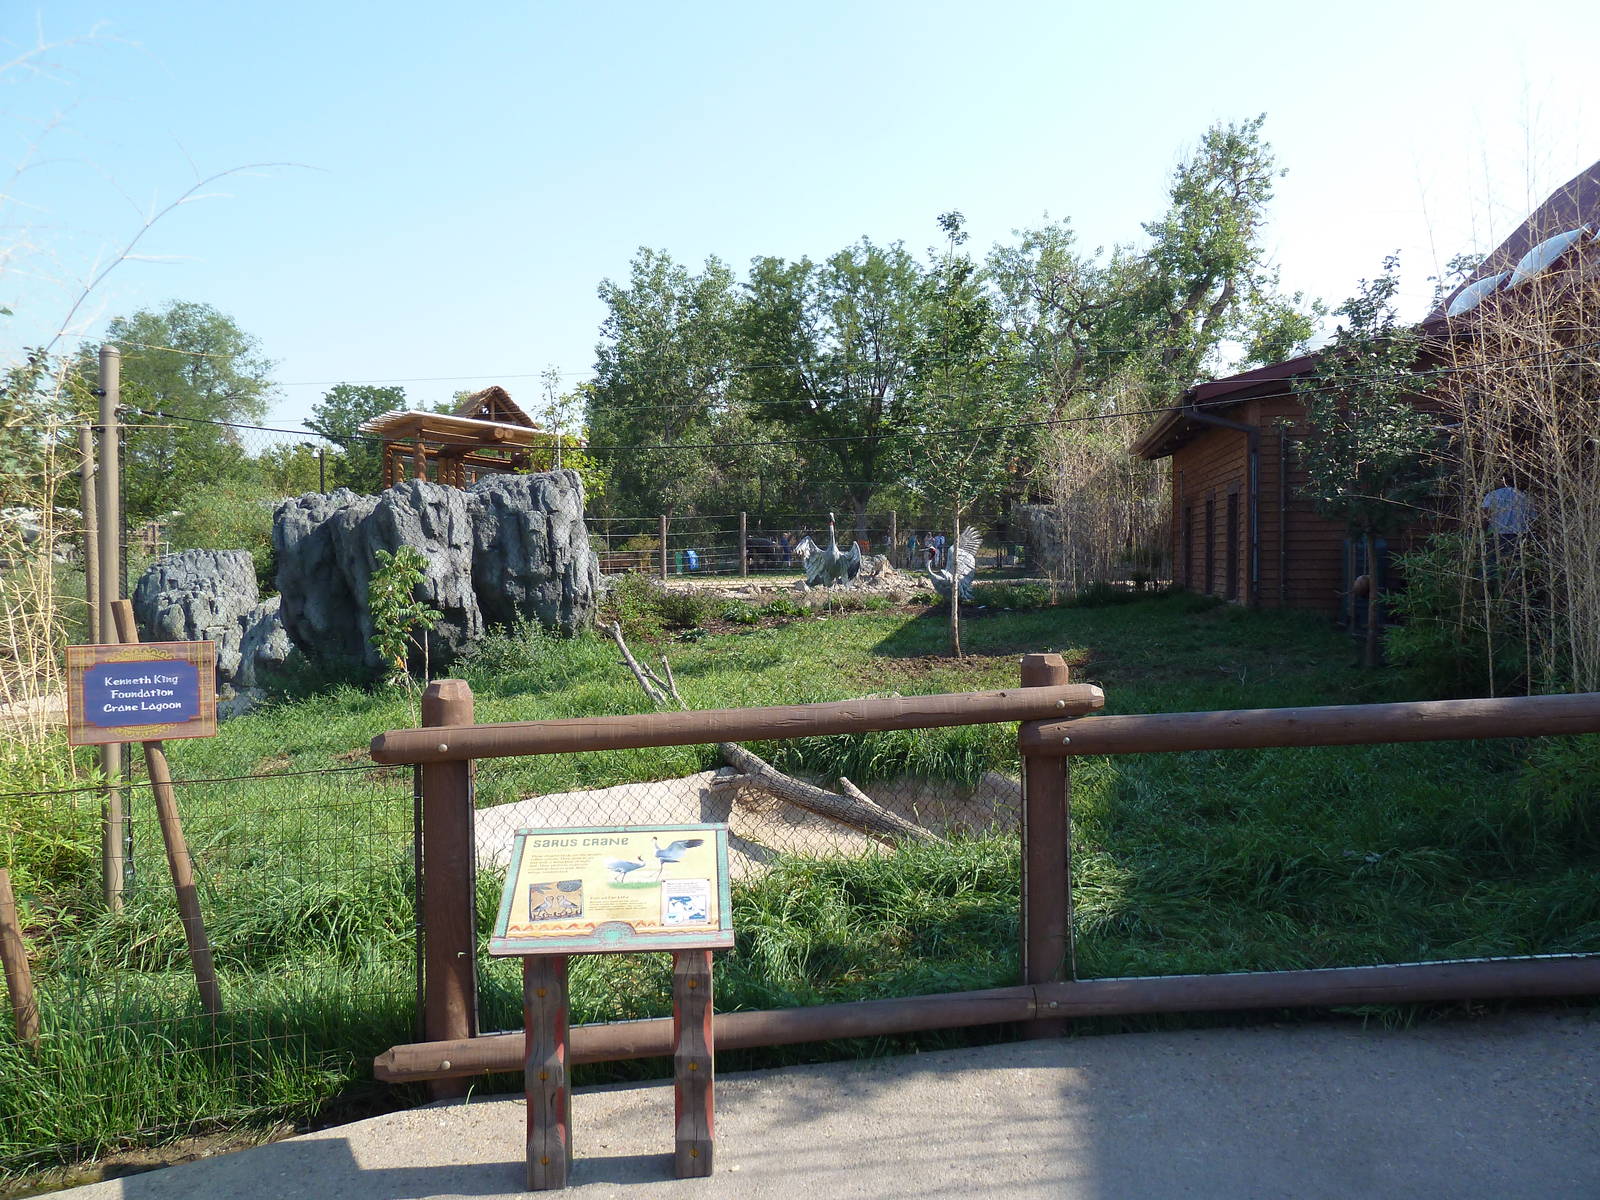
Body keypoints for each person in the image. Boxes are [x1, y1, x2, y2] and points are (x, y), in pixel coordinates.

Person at [1482, 481, 1533, 568]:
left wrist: (1483, 533)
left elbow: (1484, 516)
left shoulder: (1492, 495)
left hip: (1497, 536)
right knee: (1516, 565)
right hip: (1519, 536)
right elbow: (1532, 518)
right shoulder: (1523, 496)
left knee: (1493, 565)